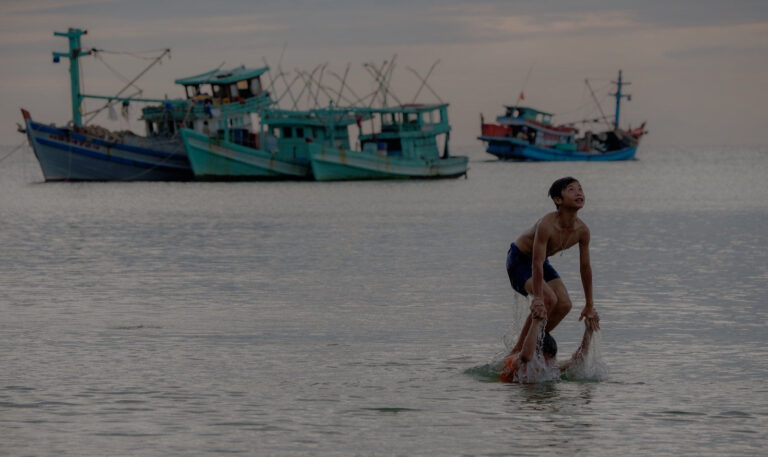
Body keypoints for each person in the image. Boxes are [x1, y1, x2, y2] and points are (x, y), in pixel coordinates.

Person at [506, 177, 600, 357]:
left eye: (580, 189)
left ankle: (536, 343)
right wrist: (539, 299)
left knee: (565, 304)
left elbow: (585, 268)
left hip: (542, 262)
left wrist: (589, 305)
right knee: (548, 298)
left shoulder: (582, 231)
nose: (579, 192)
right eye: (571, 189)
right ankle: (517, 351)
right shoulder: (546, 225)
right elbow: (536, 261)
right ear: (558, 200)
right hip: (519, 260)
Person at [499, 310, 595, 383]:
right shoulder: (517, 363)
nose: (545, 366)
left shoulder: (549, 367)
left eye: (550, 360)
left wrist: (589, 331)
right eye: (544, 360)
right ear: (536, 355)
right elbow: (526, 355)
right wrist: (535, 322)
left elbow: (577, 361)